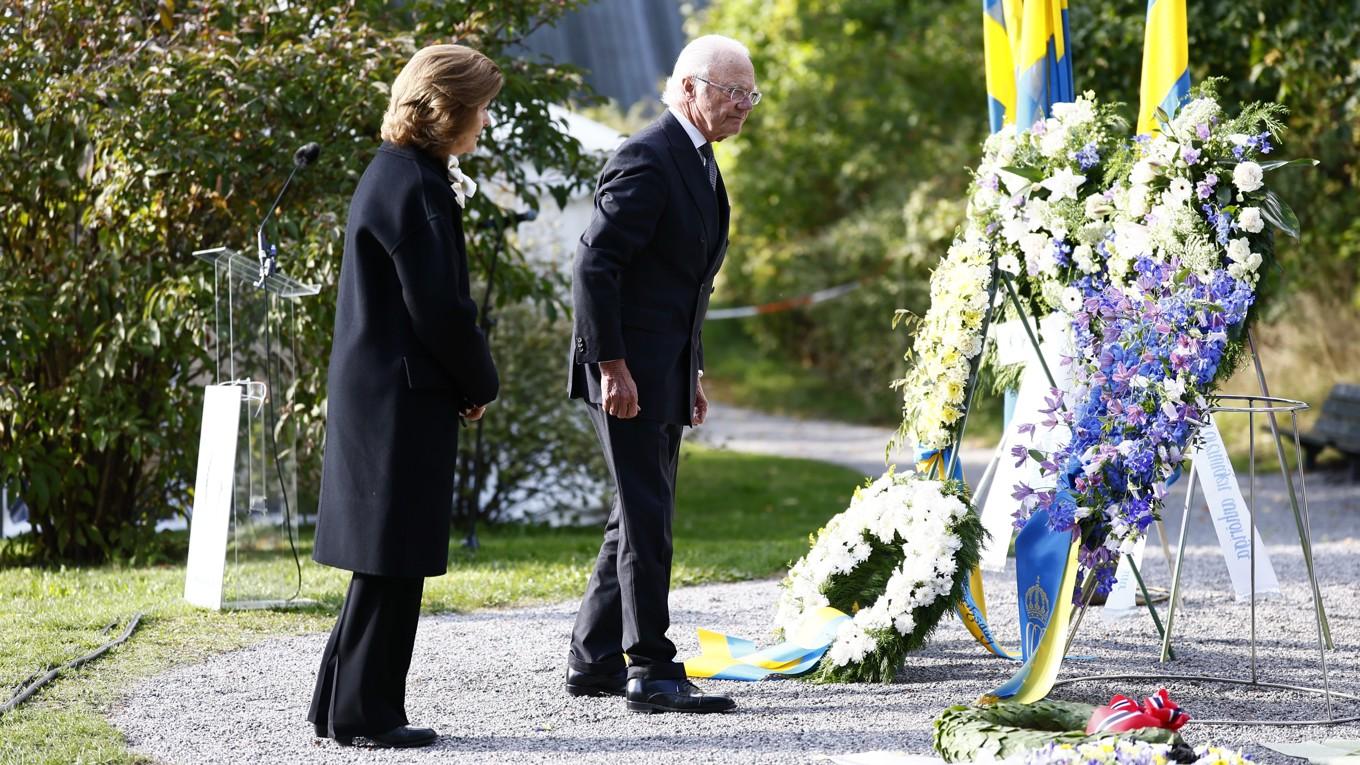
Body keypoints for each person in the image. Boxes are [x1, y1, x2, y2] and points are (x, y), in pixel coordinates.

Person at [307, 44, 501, 748]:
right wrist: (480, 382)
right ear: (446, 110)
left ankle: (338, 703)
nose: (484, 122)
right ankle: (368, 714)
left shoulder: (396, 173)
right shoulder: (416, 185)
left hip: (384, 389)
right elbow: (441, 309)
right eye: (479, 109)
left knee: (384, 556)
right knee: (394, 556)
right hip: (402, 395)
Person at [565, 34, 759, 714]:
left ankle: (593, 659)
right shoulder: (649, 156)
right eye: (731, 91)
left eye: (749, 93)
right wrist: (611, 365)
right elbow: (596, 267)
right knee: (648, 517)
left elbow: (680, 284)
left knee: (634, 514)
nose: (743, 105)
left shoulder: (698, 158)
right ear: (687, 88)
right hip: (626, 373)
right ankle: (650, 668)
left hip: (662, 369)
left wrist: (693, 369)